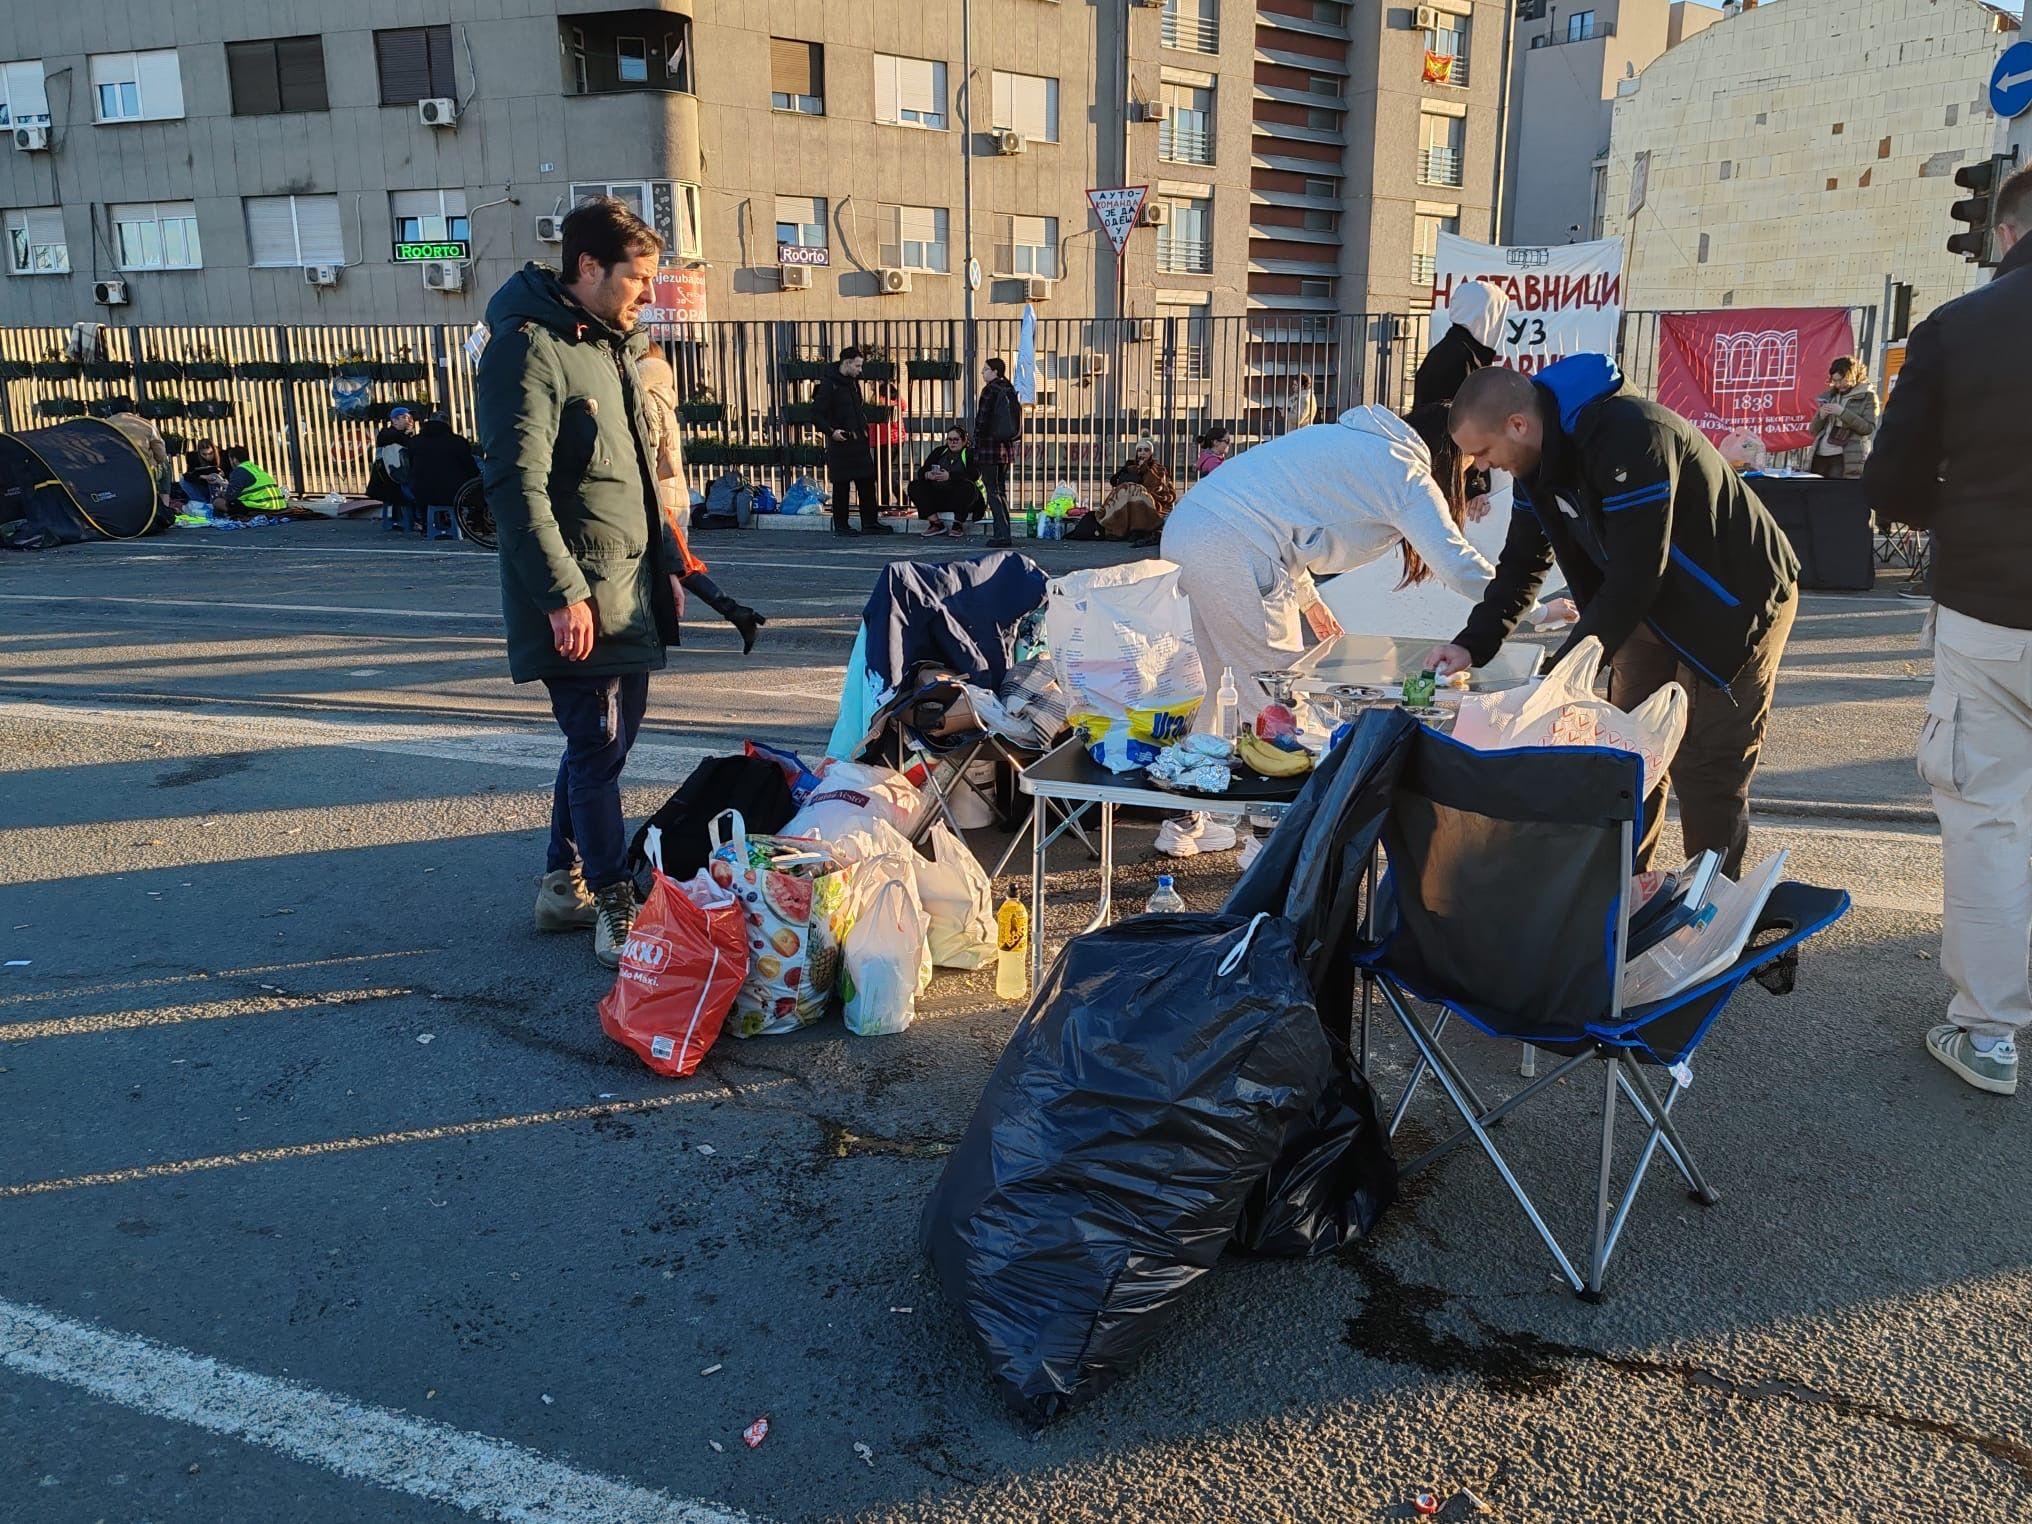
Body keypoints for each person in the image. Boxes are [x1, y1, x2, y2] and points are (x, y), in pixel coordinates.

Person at [1425, 358, 1801, 877]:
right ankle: (1623, 894)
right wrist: (1472, 643)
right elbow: (1521, 566)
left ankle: (1707, 911)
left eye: (1484, 452)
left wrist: (1564, 672)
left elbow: (1637, 572)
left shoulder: (1632, 434)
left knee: (1706, 764)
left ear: (1518, 424)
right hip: (1645, 607)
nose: (1485, 467)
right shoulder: (1535, 465)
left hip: (1733, 604)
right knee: (1626, 752)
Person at [475, 195, 684, 968]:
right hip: (580, 594)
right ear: (588, 266)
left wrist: (671, 565)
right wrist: (561, 591)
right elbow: (515, 487)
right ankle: (610, 900)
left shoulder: (607, 347)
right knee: (595, 745)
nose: (647, 293)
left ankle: (562, 888)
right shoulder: (528, 349)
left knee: (605, 745)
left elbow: (631, 474)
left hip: (628, 591)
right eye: (638, 276)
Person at [1862, 164, 2032, 1096]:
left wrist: (1961, 514)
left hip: (1993, 610)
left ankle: (1990, 1035)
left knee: (1989, 822)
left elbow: (1888, 485)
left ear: (2003, 236)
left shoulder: (1959, 328)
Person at [1162, 403, 1504, 733]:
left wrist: (1309, 601)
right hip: (1231, 546)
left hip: (1188, 525)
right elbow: (1459, 565)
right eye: (1471, 463)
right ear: (1452, 453)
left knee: (1213, 685)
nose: (1472, 473)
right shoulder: (1407, 475)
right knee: (1275, 695)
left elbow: (1288, 520)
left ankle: (1197, 771)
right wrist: (1530, 607)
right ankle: (1284, 784)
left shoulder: (1356, 439)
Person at [634, 350, 767, 653]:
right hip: (669, 490)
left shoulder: (645, 396)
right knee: (677, 563)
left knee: (674, 563)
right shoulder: (663, 394)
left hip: (656, 493)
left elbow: (647, 452)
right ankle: (736, 613)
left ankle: (734, 613)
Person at [1415, 279, 1512, 507]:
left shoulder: (1460, 354)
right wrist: (1474, 485)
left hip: (1442, 473)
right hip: (1445, 478)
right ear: (1485, 316)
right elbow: (1460, 429)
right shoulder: (1457, 359)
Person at [815, 347, 888, 536]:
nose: (859, 370)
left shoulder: (853, 383)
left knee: (866, 482)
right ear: (846, 363)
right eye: (857, 365)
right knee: (842, 485)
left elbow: (858, 407)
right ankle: (841, 525)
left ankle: (870, 523)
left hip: (859, 442)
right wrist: (832, 432)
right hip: (841, 443)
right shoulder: (828, 384)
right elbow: (816, 414)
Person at [404, 410, 479, 541]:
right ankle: (473, 524)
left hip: (422, 493)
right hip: (455, 493)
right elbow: (471, 468)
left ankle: (427, 525)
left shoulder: (415, 442)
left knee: (422, 483)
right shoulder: (457, 442)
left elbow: (410, 467)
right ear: (447, 424)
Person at [973, 357, 1022, 546]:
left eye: (985, 369)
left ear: (995, 371)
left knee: (992, 491)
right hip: (1005, 449)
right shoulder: (1008, 388)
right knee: (1001, 490)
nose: (983, 373)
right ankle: (1004, 530)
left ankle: (1001, 535)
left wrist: (975, 442)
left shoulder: (990, 390)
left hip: (989, 449)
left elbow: (982, 421)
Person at [907, 425, 985, 537]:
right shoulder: (939, 451)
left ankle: (958, 524)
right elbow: (922, 471)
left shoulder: (969, 454)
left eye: (956, 440)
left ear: (964, 441)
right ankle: (936, 524)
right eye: (950, 439)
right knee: (915, 486)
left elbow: (974, 474)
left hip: (961, 498)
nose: (952, 443)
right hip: (939, 494)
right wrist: (928, 474)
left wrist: (950, 476)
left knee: (967, 487)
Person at [1808, 356, 1877, 479]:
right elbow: (1813, 431)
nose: (1839, 385)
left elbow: (1868, 428)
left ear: (1853, 375)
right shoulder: (1829, 396)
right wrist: (1821, 416)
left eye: (1842, 380)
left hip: (1844, 457)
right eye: (1835, 381)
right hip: (1820, 454)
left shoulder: (1867, 397)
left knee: (1836, 494)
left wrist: (1842, 412)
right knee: (1816, 494)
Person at [1099, 438, 1177, 542]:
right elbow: (1115, 482)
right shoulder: (1130, 466)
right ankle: (1117, 528)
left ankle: (1137, 529)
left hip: (1149, 500)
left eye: (1146, 450)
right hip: (1128, 500)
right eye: (1140, 450)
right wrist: (1130, 470)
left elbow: (1158, 488)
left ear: (1151, 452)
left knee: (1138, 493)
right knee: (1125, 490)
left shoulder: (1158, 469)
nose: (1143, 453)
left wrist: (1145, 470)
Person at [369, 406, 419, 530]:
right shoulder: (387, 434)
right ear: (394, 420)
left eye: (409, 417)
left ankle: (414, 519)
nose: (408, 420)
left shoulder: (402, 435)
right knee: (415, 490)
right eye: (404, 417)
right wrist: (407, 435)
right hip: (386, 480)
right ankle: (417, 519)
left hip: (397, 477)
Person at [215, 445, 287, 518]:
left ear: (234, 460)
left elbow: (230, 496)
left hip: (261, 509)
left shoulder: (239, 471)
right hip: (279, 507)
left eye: (230, 460)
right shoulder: (255, 468)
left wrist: (222, 494)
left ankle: (220, 519)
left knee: (218, 502)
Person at [871, 380, 908, 511]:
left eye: (873, 381)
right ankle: (897, 499)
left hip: (886, 440)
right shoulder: (894, 396)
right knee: (883, 471)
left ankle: (886, 501)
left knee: (882, 472)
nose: (870, 383)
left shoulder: (881, 398)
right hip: (892, 439)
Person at [178, 438, 226, 505]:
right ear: (199, 453)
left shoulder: (223, 456)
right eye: (204, 454)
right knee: (182, 480)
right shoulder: (194, 458)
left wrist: (222, 475)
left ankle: (213, 502)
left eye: (210, 453)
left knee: (215, 477)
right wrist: (203, 477)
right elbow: (188, 475)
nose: (207, 457)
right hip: (203, 486)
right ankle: (202, 503)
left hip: (220, 486)